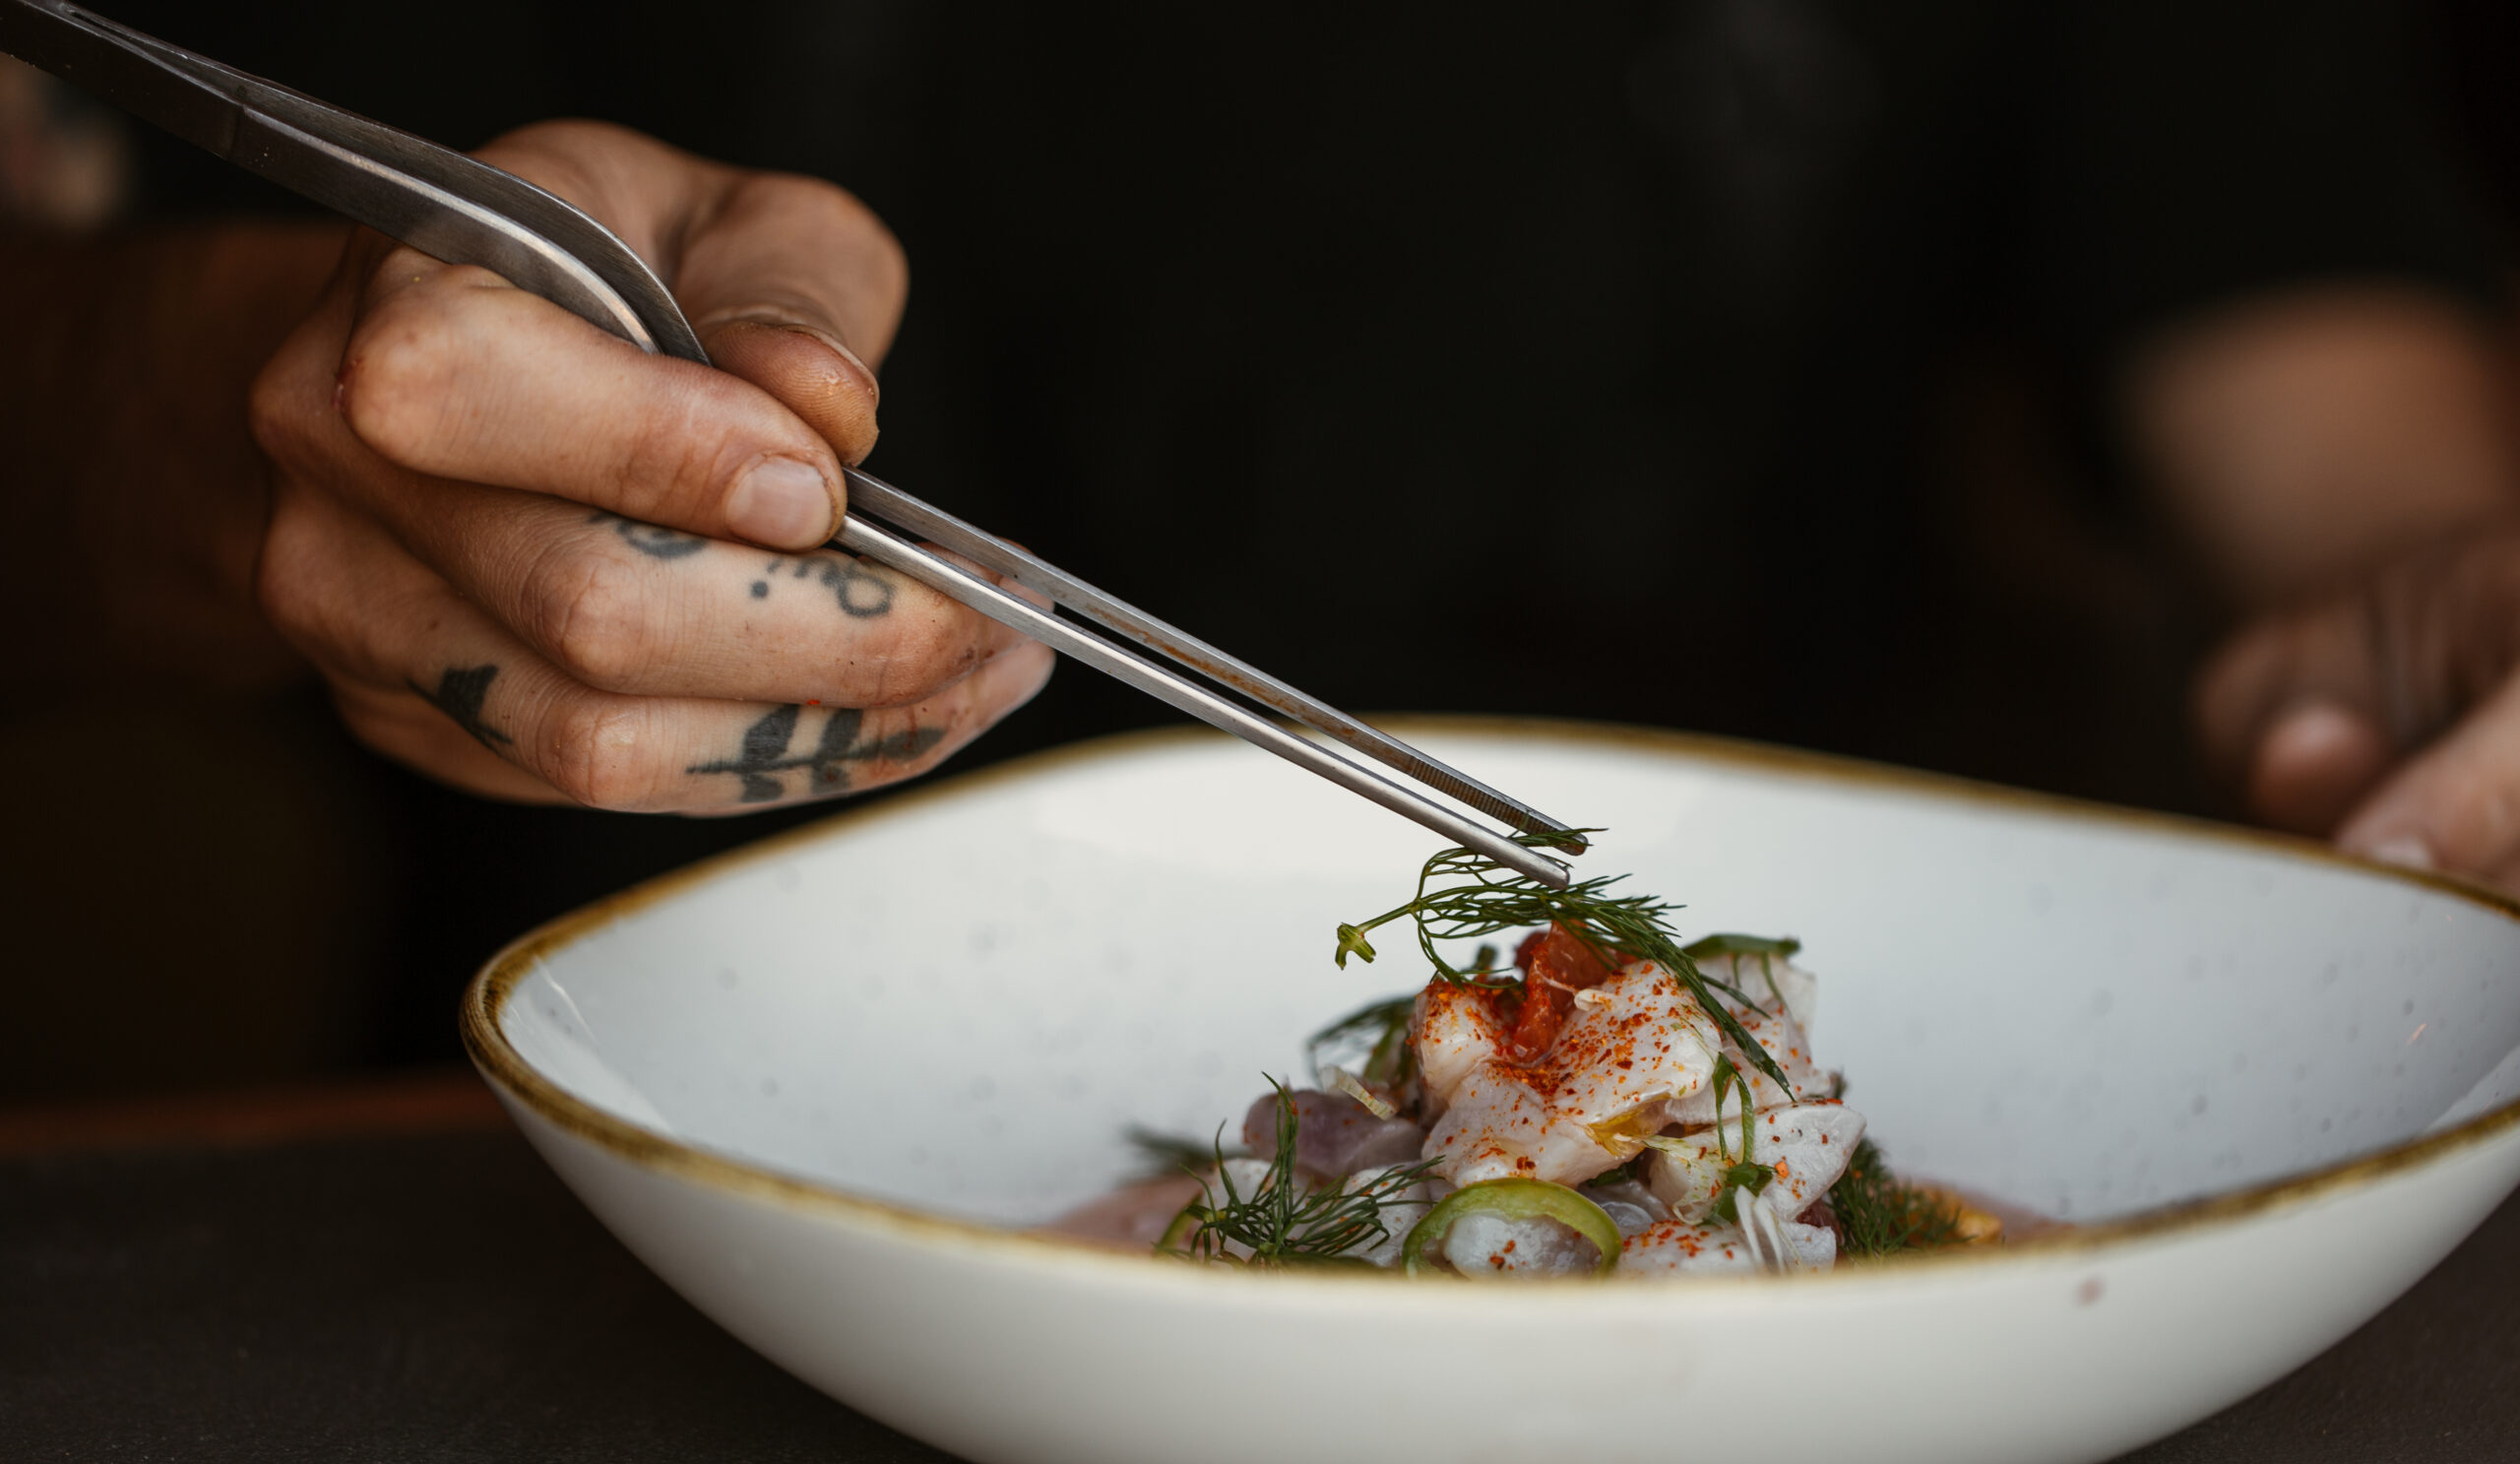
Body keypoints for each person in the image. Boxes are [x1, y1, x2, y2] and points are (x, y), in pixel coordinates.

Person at [2, 0, 2514, 1084]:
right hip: (566, 1204)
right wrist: (252, 409)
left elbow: (2327, 396)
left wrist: (2447, 614)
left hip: (1766, 1320)